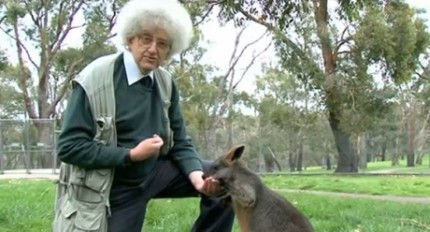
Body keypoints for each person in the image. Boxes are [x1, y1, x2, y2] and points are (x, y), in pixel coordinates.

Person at [52, 0, 235, 231]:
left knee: (227, 179)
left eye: (162, 43)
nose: (152, 49)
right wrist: (130, 155)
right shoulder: (95, 79)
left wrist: (197, 176)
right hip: (112, 188)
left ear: (170, 50)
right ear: (130, 39)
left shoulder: (165, 82)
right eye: (146, 39)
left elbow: (180, 141)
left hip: (154, 173)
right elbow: (69, 147)